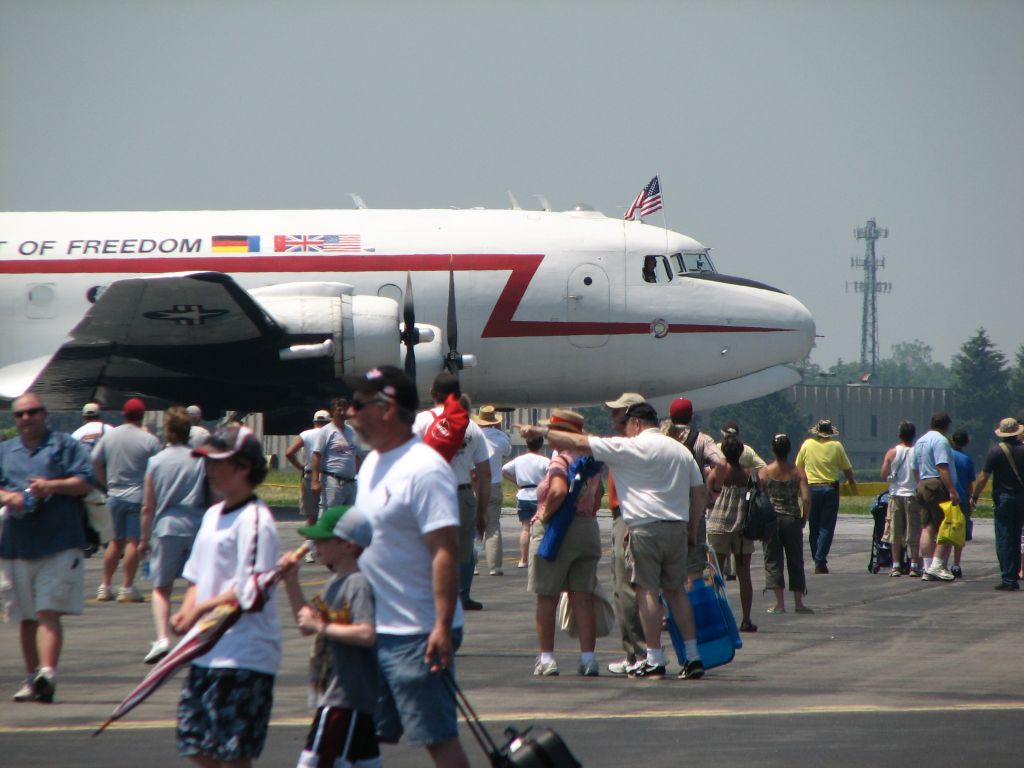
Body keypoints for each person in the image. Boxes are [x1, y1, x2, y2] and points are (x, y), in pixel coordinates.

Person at [521, 401, 706, 680]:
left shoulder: (629, 447)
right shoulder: (681, 451)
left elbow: (577, 441)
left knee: (646, 591)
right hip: (677, 527)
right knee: (676, 592)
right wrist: (692, 531)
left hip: (644, 527)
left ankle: (654, 656)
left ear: (636, 424)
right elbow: (699, 493)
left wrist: (539, 431)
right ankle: (693, 656)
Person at [344, 365, 470, 768]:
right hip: (374, 631)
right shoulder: (371, 466)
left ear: (385, 408)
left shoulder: (424, 468)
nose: (349, 412)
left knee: (438, 739)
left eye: (357, 404)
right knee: (357, 737)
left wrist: (440, 627)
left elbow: (445, 552)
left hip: (417, 634)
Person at [172, 424, 281, 767]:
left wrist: (200, 609)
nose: (210, 470)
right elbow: (195, 576)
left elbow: (251, 591)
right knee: (197, 746)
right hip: (206, 650)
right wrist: (186, 610)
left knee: (233, 755)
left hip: (243, 656)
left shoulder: (255, 521)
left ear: (243, 467)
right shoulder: (211, 515)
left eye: (218, 462)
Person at [0, 393, 94, 703]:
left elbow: (86, 482)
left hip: (59, 542)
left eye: (33, 412)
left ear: (45, 414)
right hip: (18, 544)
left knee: (47, 612)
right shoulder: (5, 451)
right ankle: (32, 679)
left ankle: (48, 673)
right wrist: (9, 497)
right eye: (21, 414)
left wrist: (51, 486)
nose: (27, 418)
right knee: (27, 616)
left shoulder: (65, 445)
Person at [279, 505, 381, 768]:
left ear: (347, 545)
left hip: (346, 698)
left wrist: (321, 627)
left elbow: (367, 633)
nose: (315, 544)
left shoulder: (357, 583)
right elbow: (306, 624)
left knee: (313, 763)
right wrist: (291, 581)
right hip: (341, 697)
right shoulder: (335, 582)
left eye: (323, 539)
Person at [525, 409, 603, 677]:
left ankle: (547, 658)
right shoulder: (591, 459)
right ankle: (588, 658)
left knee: (547, 596)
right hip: (587, 529)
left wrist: (544, 515)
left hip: (559, 530)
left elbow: (558, 490)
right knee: (582, 597)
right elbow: (599, 495)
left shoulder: (560, 460)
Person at [414, 373, 491, 611]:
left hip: (431, 493)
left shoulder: (422, 421)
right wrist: (482, 510)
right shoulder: (472, 426)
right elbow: (485, 473)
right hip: (462, 493)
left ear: (433, 393)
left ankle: (431, 593)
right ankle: (462, 595)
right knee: (465, 547)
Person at [139, 406, 207, 665]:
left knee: (161, 587)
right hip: (196, 525)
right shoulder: (199, 458)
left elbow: (148, 506)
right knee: (196, 584)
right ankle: (194, 634)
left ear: (168, 431)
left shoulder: (156, 461)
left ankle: (163, 638)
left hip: (167, 526)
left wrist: (144, 538)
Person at [92, 397, 161, 602]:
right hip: (137, 496)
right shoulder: (149, 440)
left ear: (123, 415)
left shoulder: (110, 436)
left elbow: (95, 460)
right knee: (134, 541)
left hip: (113, 494)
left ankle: (105, 585)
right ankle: (127, 586)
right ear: (141, 416)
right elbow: (157, 469)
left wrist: (105, 483)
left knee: (115, 542)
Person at [601, 391, 648, 676]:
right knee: (621, 590)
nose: (612, 417)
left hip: (629, 516)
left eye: (618, 413)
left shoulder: (632, 445)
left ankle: (639, 653)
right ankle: (634, 653)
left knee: (627, 589)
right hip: (622, 516)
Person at [662, 397, 725, 582]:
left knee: (666, 565)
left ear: (670, 415)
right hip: (692, 506)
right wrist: (714, 490)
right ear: (691, 416)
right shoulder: (701, 439)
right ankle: (691, 606)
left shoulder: (662, 437)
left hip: (666, 506)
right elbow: (721, 463)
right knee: (694, 566)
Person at [706, 434, 758, 631]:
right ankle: (746, 619)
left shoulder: (717, 473)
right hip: (742, 528)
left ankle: (717, 617)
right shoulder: (748, 475)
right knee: (744, 575)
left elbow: (709, 499)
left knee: (715, 574)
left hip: (718, 526)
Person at [795, 419, 856, 574]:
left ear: (817, 432)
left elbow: (798, 468)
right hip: (830, 489)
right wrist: (852, 483)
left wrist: (798, 488)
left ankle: (818, 558)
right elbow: (847, 469)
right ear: (830, 433)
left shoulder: (807, 444)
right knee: (826, 527)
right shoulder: (836, 446)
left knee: (813, 526)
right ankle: (820, 560)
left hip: (812, 489)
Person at [761, 434, 813, 614]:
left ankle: (779, 603)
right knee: (795, 559)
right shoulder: (798, 472)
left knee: (773, 560)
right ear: (789, 450)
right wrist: (804, 518)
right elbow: (806, 498)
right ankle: (798, 603)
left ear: (773, 450)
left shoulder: (765, 472)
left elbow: (759, 499)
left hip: (772, 520)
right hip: (792, 519)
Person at [971, 418, 1024, 591]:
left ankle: (1008, 578)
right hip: (1021, 498)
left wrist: (974, 496)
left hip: (1004, 499)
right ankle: (1014, 573)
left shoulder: (995, 452)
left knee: (1004, 537)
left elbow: (983, 477)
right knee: (1016, 537)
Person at [911, 411, 959, 582]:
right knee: (945, 525)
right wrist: (952, 490)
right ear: (946, 426)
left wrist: (920, 484)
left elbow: (915, 468)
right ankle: (937, 565)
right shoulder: (941, 440)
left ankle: (927, 566)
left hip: (922, 483)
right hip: (937, 483)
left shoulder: (920, 441)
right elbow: (942, 467)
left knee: (927, 526)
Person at [879, 421, 922, 577]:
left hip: (896, 494)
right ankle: (914, 565)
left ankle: (896, 565)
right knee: (914, 531)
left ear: (899, 435)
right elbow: (919, 475)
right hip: (913, 494)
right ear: (914, 436)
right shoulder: (917, 452)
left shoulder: (892, 453)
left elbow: (883, 475)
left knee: (895, 532)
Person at [502, 434, 550, 569]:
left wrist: (516, 481)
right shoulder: (545, 460)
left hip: (523, 495)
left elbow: (504, 470)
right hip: (539, 496)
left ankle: (523, 559)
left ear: (526, 444)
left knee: (525, 528)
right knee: (539, 528)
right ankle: (538, 558)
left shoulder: (519, 460)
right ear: (540, 445)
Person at [474, 405, 512, 576]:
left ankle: (471, 566)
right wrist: (499, 431)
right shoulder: (500, 437)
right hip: (494, 483)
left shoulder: (472, 434)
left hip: (475, 483)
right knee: (493, 526)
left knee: (474, 527)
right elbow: (507, 452)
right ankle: (494, 567)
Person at [72, 401, 113, 552]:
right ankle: (110, 541)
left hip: (86, 480)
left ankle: (89, 542)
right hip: (106, 478)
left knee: (85, 511)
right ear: (99, 415)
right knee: (106, 512)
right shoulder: (109, 429)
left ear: (84, 416)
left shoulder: (77, 434)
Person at [311, 397, 360, 516]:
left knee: (348, 517)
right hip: (333, 481)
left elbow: (357, 456)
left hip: (351, 482)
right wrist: (315, 481)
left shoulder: (352, 431)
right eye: (339, 410)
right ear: (333, 411)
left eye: (344, 409)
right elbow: (316, 455)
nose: (342, 413)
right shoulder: (326, 431)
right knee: (331, 516)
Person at [286, 409, 331, 526]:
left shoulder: (306, 434)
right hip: (329, 476)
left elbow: (289, 453)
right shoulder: (331, 434)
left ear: (314, 422)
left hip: (310, 475)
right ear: (329, 422)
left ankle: (310, 542)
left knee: (311, 516)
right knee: (330, 513)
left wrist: (301, 467)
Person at [949, 430, 976, 579]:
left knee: (944, 531)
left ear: (952, 440)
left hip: (946, 499)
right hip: (963, 500)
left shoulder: (946, 456)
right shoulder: (967, 459)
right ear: (967, 442)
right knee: (959, 534)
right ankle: (956, 564)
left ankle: (940, 562)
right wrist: (972, 497)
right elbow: (970, 484)